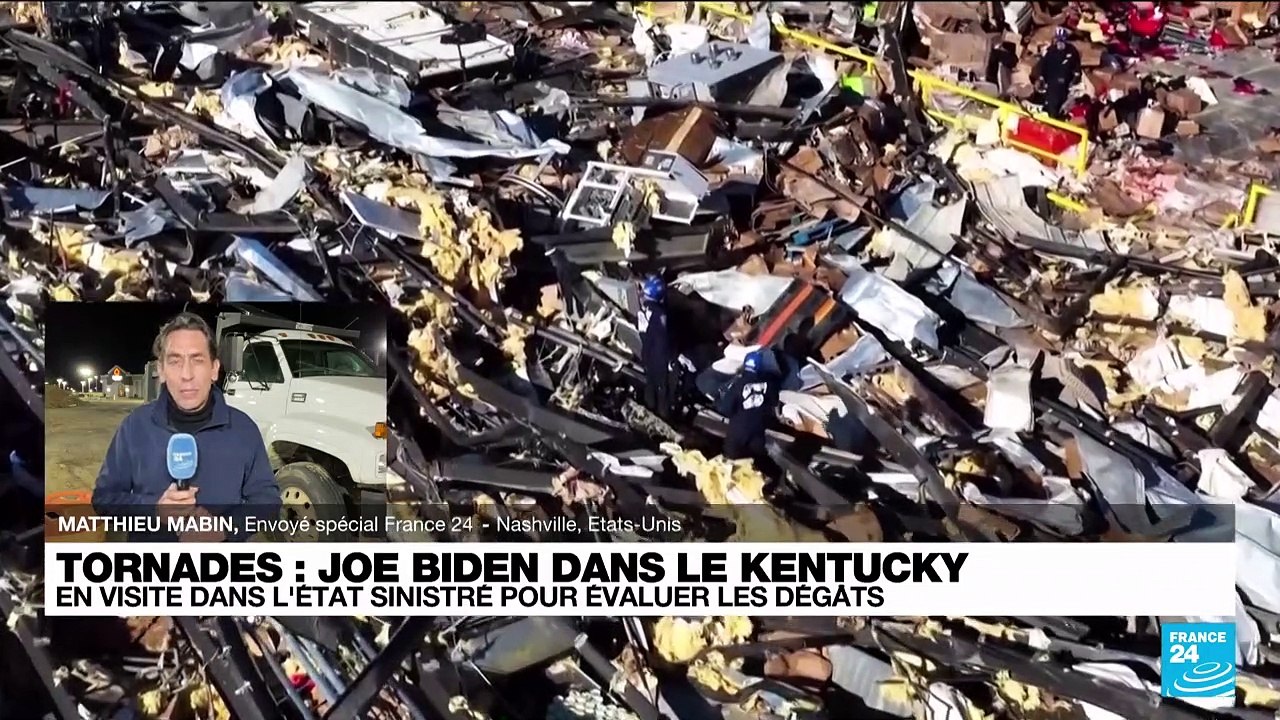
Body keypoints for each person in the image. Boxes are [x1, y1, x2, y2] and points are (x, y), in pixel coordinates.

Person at [91, 312, 281, 541]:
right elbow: (103, 499)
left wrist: (225, 528)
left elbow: (267, 501)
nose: (186, 375)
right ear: (160, 371)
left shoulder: (244, 429)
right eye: (175, 361)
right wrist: (153, 509)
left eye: (197, 360)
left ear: (214, 369)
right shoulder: (134, 426)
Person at [717, 350, 780, 461]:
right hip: (758, 429)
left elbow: (725, 408)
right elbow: (774, 402)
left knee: (731, 462)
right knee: (757, 461)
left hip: (738, 430)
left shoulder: (738, 384)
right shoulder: (770, 384)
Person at [639, 275, 679, 421]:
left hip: (648, 354)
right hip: (660, 359)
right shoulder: (663, 315)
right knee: (663, 391)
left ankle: (648, 412)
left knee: (650, 384)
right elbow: (666, 340)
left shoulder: (644, 310)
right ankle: (664, 418)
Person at [1034, 27, 1082, 119]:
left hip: (1065, 83)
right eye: (1058, 40)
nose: (1060, 43)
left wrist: (1075, 79)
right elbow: (1044, 65)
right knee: (1051, 104)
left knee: (1062, 105)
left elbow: (1076, 67)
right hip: (1052, 83)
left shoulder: (1071, 51)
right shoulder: (1051, 51)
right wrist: (1041, 78)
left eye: (1062, 40)